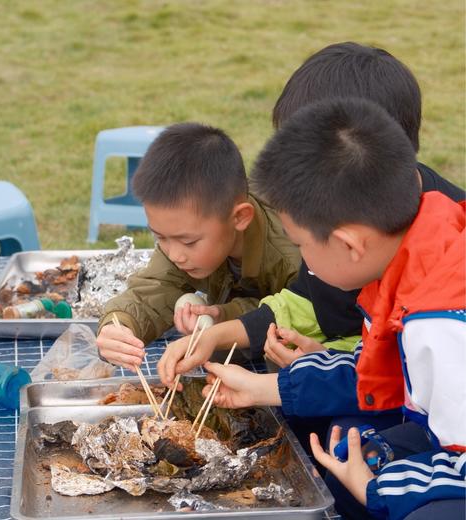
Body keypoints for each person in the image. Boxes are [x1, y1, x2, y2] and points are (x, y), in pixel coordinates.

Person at [176, 98, 465, 520]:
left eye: (301, 245)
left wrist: (377, 488)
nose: (303, 262)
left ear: (349, 244)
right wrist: (262, 388)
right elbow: (377, 372)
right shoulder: (420, 246)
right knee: (349, 453)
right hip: (439, 433)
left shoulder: (439, 321)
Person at [170, 42, 464, 370]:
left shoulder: (442, 269)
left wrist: (324, 367)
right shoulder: (338, 218)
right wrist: (220, 334)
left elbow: (402, 375)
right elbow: (307, 301)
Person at [97, 122, 301, 371]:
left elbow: (298, 315)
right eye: (160, 237)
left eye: (188, 242)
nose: (174, 254)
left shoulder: (293, 251)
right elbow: (154, 290)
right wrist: (118, 325)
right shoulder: (187, 230)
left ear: (239, 217)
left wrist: (228, 315)